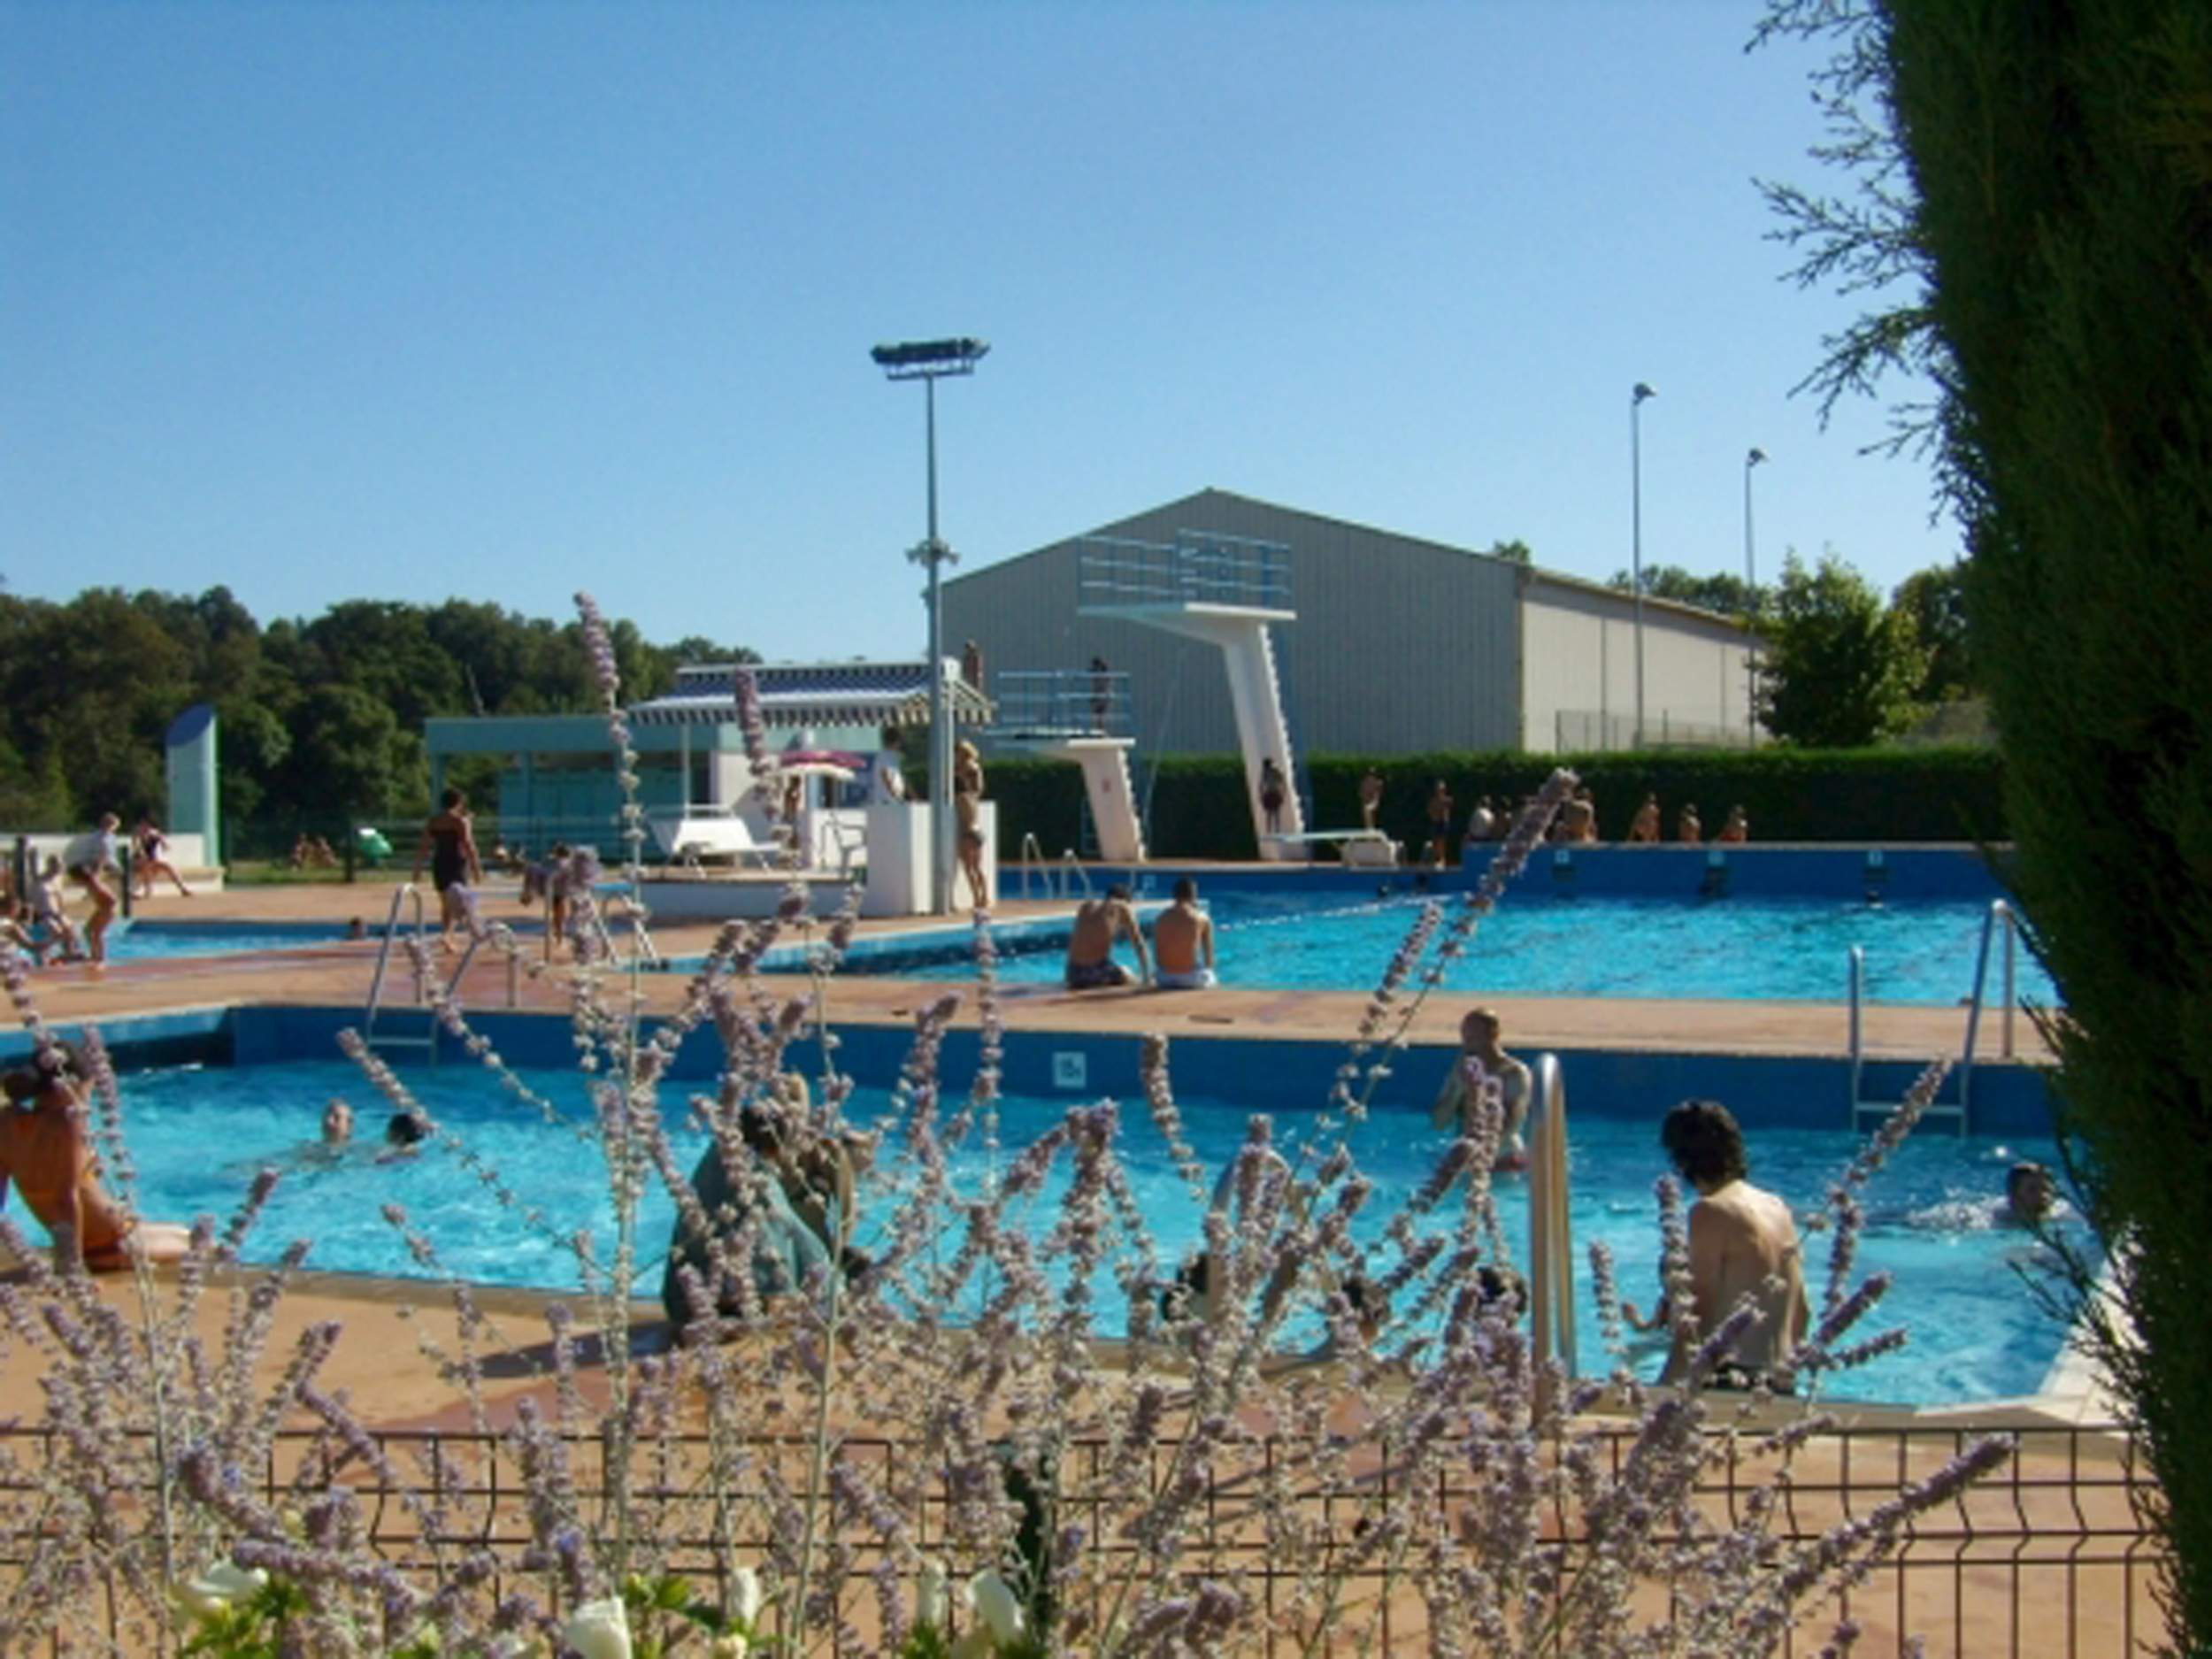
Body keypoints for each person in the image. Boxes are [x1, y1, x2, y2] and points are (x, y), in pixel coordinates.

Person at [1656, 1099, 1810, 1392]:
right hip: (1781, 1379)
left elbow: (1697, 1316)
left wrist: (1661, 1392)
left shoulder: (1710, 1212)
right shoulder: (1776, 1207)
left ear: (1681, 1160)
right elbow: (1802, 1310)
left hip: (1734, 1381)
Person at [0, 1045, 192, 1271]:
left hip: (112, 1233)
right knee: (204, 1244)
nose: (88, 1098)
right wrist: (72, 1267)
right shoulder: (67, 1122)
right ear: (71, 1086)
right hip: (111, 1245)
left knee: (184, 1231)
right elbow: (65, 1197)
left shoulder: (7, 1120)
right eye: (88, 1089)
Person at [663, 1096, 836, 1331]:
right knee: (783, 1233)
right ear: (772, 1147)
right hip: (732, 1299)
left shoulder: (713, 1159)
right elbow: (791, 1234)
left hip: (686, 1295)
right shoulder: (756, 1179)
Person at [1430, 1007, 1532, 1171]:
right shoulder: (1460, 1071)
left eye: (1473, 1034)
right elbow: (1438, 1123)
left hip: (1503, 1161)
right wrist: (1459, 1089)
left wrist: (1479, 1094)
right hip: (1466, 1160)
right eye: (1465, 1033)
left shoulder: (1514, 1072)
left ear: (1493, 1034)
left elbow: (1511, 1124)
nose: (1467, 1040)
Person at [411, 787, 485, 951]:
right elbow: (468, 844)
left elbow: (423, 846)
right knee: (458, 901)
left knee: (445, 902)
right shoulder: (460, 821)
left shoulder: (433, 821)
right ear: (459, 803)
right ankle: (448, 934)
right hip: (456, 862)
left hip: (439, 861)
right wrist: (476, 868)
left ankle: (448, 936)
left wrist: (417, 868)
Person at [62, 814, 123, 964]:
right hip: (106, 907)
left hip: (107, 908)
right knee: (90, 932)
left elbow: (100, 862)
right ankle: (96, 956)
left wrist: (102, 907)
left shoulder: (93, 882)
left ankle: (99, 957)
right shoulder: (93, 882)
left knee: (96, 933)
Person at [1064, 883, 1149, 990]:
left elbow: (1074, 942)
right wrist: (1146, 975)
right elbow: (1139, 944)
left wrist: (1068, 977)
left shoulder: (1085, 906)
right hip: (1094, 974)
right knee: (1129, 975)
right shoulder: (1122, 906)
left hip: (1074, 973)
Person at [1151, 878, 1217, 990]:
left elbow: (1157, 957)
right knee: (1212, 978)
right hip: (1191, 978)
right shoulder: (1201, 918)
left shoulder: (1160, 919)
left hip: (1164, 978)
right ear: (1193, 895)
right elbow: (1209, 959)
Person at [953, 740, 990, 910]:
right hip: (977, 831)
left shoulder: (961, 798)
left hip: (967, 831)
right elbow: (978, 787)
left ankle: (977, 898)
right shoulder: (973, 799)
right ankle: (985, 896)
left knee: (969, 868)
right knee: (978, 868)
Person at [26, 857, 84, 964]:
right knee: (57, 932)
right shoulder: (39, 882)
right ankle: (43, 950)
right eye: (57, 867)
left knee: (70, 929)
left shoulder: (57, 880)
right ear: (50, 866)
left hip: (58, 914)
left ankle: (69, 953)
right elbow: (32, 902)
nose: (59, 870)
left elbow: (59, 899)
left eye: (60, 867)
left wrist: (63, 914)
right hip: (45, 914)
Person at [131, 817, 192, 899]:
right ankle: (148, 891)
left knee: (169, 867)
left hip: (152, 859)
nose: (145, 827)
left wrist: (164, 845)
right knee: (146, 866)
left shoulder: (155, 833)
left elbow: (164, 844)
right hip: (138, 859)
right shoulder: (137, 833)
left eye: (147, 825)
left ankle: (183, 889)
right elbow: (136, 847)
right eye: (143, 825)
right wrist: (142, 850)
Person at [1999, 1160, 2057, 1227]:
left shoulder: (2063, 1215)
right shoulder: (1994, 1220)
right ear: (2014, 1195)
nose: (2042, 1195)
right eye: (2032, 1190)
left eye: (2046, 1189)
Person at [869, 726, 907, 805]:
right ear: (894, 742)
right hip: (885, 801)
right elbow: (885, 776)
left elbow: (900, 777)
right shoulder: (883, 756)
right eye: (900, 742)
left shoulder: (894, 756)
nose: (900, 745)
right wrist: (893, 794)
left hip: (894, 801)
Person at [1425, 780, 1455, 868]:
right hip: (1436, 822)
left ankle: (1442, 858)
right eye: (1438, 789)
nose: (1439, 791)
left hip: (1443, 822)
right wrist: (1434, 814)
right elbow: (1429, 810)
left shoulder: (1446, 800)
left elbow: (1449, 807)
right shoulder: (1433, 800)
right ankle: (1436, 858)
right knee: (1435, 840)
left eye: (1441, 789)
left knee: (1442, 841)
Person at [1258, 758, 1288, 836]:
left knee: (1275, 812)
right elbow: (1261, 784)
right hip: (1270, 792)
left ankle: (1276, 829)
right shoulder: (1265, 773)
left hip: (1274, 792)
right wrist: (1261, 794)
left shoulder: (1274, 772)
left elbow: (1282, 781)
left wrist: (1283, 791)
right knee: (1270, 813)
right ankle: (1270, 830)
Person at [1358, 768, 1385, 832]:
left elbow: (1377, 793)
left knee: (1368, 811)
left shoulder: (1378, 782)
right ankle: (1369, 827)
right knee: (1366, 811)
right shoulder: (1365, 781)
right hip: (1367, 801)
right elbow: (1362, 791)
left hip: (1373, 801)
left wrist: (1375, 800)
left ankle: (1371, 827)